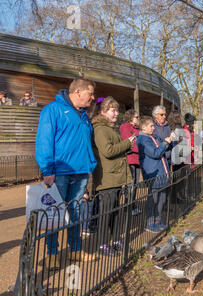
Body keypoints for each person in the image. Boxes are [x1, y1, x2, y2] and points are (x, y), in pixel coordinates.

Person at [35, 77, 98, 269]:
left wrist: (90, 165)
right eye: (90, 93)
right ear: (78, 92)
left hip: (81, 172)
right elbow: (44, 140)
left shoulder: (85, 116)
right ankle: (52, 253)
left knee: (76, 212)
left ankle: (75, 250)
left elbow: (87, 143)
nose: (93, 98)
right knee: (54, 213)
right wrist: (47, 169)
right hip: (59, 173)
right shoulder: (52, 110)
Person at [91, 96, 134, 256]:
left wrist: (125, 147)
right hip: (107, 177)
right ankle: (103, 244)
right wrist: (127, 143)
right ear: (103, 112)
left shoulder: (110, 128)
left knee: (116, 211)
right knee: (106, 212)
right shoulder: (100, 129)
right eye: (113, 110)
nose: (116, 113)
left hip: (115, 175)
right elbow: (107, 151)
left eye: (117, 110)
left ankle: (116, 240)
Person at [137, 116, 176, 233]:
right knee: (153, 199)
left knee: (162, 199)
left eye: (154, 126)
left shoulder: (154, 136)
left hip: (162, 171)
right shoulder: (143, 139)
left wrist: (168, 139)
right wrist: (165, 143)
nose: (154, 128)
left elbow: (163, 143)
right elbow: (155, 153)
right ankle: (149, 223)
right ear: (143, 127)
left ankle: (157, 221)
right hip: (153, 173)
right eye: (151, 126)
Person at [120, 109, 141, 215]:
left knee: (135, 184)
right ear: (131, 117)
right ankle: (128, 207)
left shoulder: (137, 129)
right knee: (130, 184)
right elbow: (129, 143)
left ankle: (132, 205)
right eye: (136, 117)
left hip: (137, 160)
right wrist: (141, 148)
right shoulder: (125, 127)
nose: (138, 119)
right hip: (130, 160)